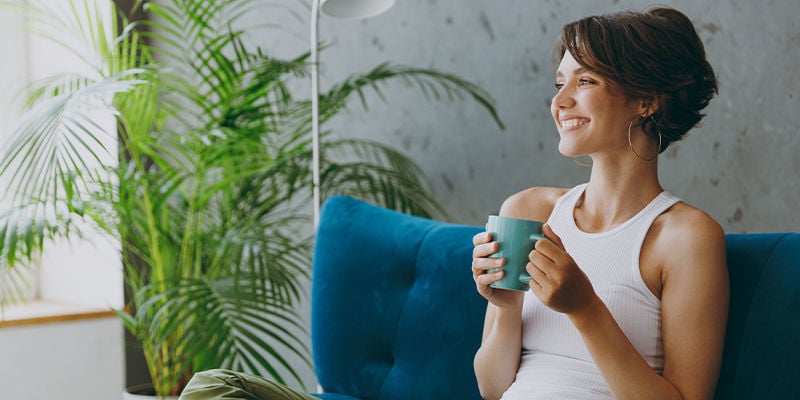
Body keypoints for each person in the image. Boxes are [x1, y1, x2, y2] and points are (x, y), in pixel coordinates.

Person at [471, 7, 728, 400]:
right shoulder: (528, 211)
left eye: (585, 81)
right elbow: (492, 389)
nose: (559, 101)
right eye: (559, 83)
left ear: (646, 100)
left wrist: (585, 308)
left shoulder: (686, 237)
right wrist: (507, 307)